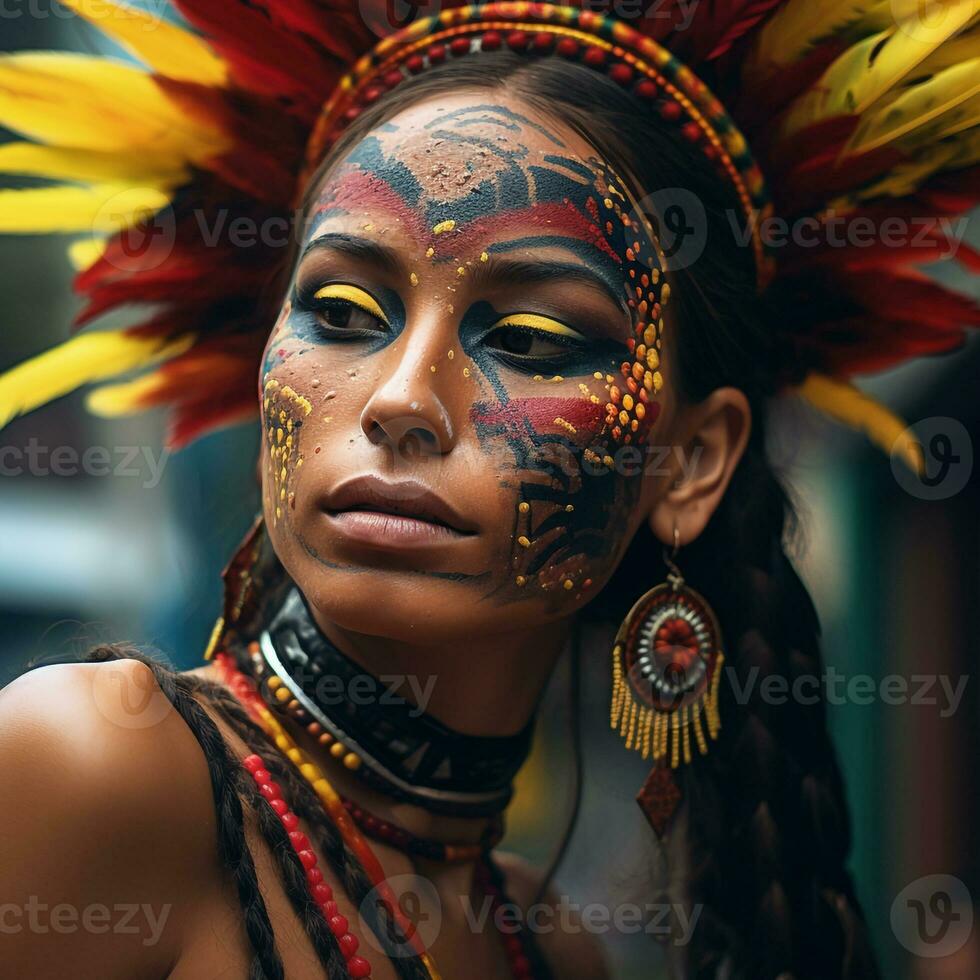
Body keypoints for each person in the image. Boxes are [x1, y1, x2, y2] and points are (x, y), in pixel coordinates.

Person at [0, 2, 976, 978]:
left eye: (529, 342)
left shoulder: (551, 950)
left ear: (688, 462)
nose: (400, 398)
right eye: (340, 312)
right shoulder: (91, 766)